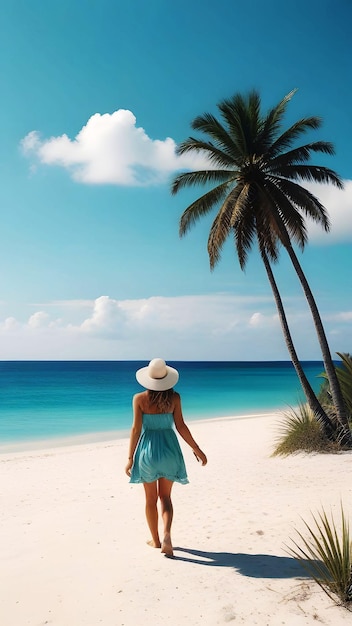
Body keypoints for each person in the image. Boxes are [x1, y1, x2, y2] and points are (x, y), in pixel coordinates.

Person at [125, 358, 207, 557]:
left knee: (150, 499)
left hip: (148, 451)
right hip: (170, 450)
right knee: (166, 498)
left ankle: (155, 540)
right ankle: (167, 535)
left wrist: (130, 458)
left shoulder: (139, 399)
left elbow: (136, 429)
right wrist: (196, 449)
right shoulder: (175, 398)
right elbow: (181, 426)